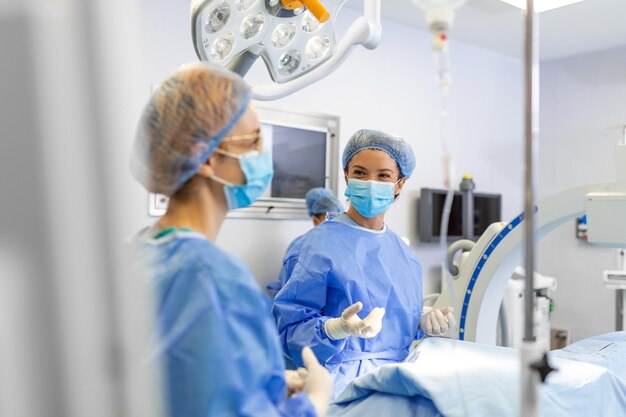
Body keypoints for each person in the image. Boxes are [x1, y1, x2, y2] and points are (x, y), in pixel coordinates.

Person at [129, 62, 332, 417]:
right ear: (205, 158)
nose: (262, 155)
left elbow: (176, 382)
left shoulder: (139, 253)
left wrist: (261, 383)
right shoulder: (213, 280)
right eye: (253, 140)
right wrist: (312, 402)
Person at [272, 129, 455, 399]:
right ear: (346, 176)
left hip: (398, 382)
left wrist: (421, 321)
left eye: (383, 175)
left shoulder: (405, 255)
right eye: (359, 173)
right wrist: (335, 329)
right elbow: (291, 332)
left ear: (400, 184)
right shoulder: (314, 247)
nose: (370, 182)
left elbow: (396, 322)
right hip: (337, 390)